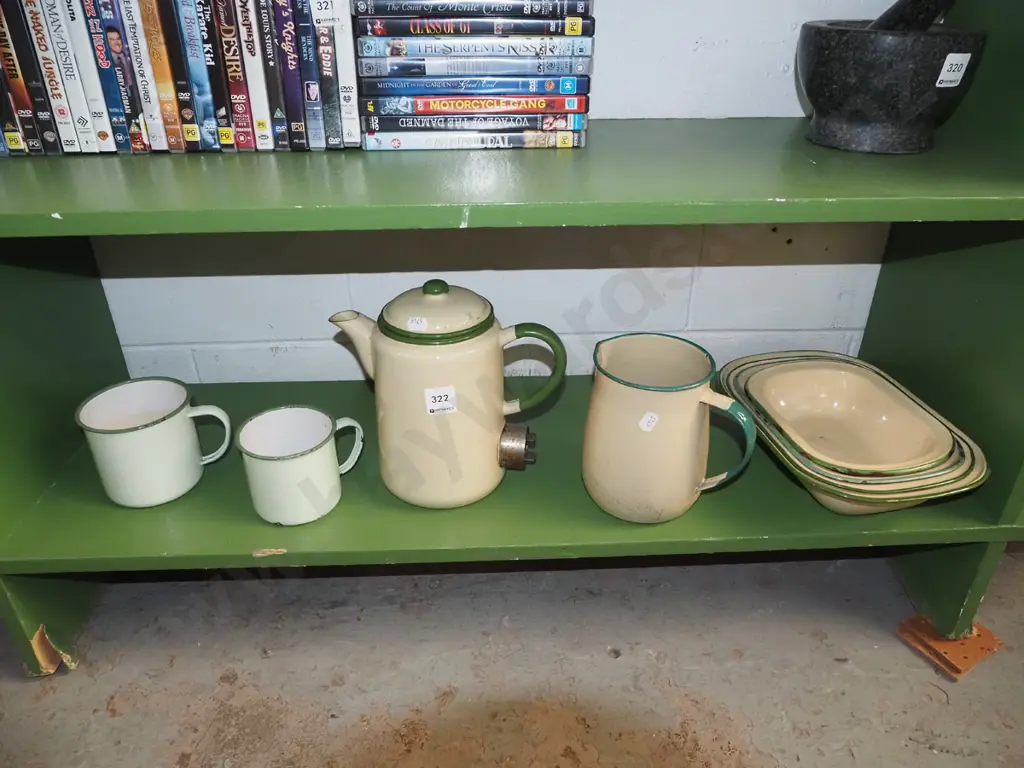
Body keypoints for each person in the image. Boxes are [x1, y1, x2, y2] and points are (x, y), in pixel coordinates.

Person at [105, 27, 134, 92]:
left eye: (118, 39)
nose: (117, 43)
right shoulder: (106, 62)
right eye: (112, 40)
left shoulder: (130, 58)